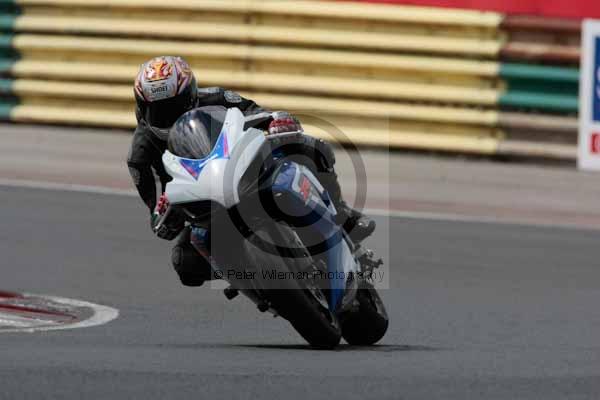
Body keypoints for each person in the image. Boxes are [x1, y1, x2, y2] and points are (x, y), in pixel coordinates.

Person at [127, 55, 375, 286]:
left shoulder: (214, 97)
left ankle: (342, 214)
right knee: (185, 264)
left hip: (243, 170)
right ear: (141, 108)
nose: (168, 117)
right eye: (158, 111)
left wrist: (276, 121)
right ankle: (251, 279)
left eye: (175, 107)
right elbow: (156, 214)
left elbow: (257, 113)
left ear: (191, 95)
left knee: (311, 147)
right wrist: (163, 215)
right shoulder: (140, 156)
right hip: (202, 206)